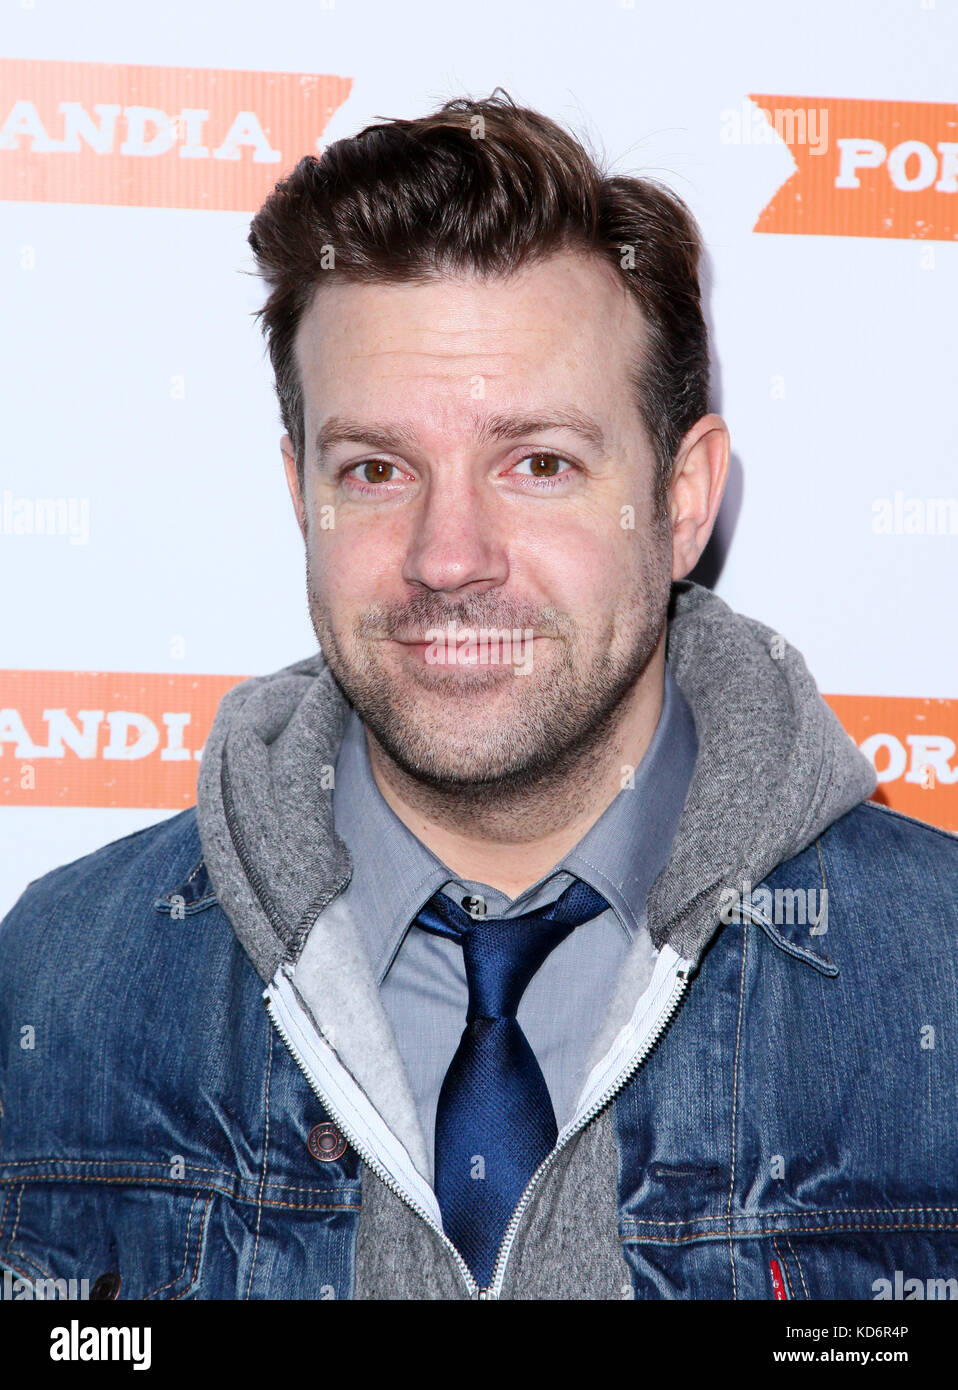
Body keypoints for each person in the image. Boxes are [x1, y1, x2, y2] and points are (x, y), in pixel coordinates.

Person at [1, 92, 956, 1303]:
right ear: (305, 497)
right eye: (378, 468)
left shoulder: (937, 983)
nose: (449, 557)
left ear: (681, 499)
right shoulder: (57, 985)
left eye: (540, 463)